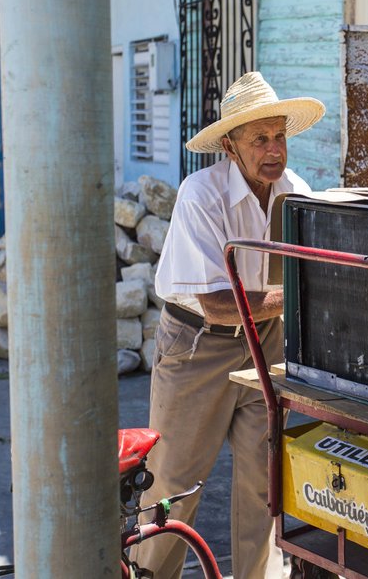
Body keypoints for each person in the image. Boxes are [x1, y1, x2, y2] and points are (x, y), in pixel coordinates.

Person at [131, 72, 325, 579]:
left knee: (264, 480)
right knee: (174, 481)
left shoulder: (295, 192)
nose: (273, 149)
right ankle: (150, 577)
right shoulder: (202, 193)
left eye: (279, 135)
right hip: (196, 345)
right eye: (259, 138)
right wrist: (305, 290)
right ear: (229, 145)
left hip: (267, 339)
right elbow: (218, 305)